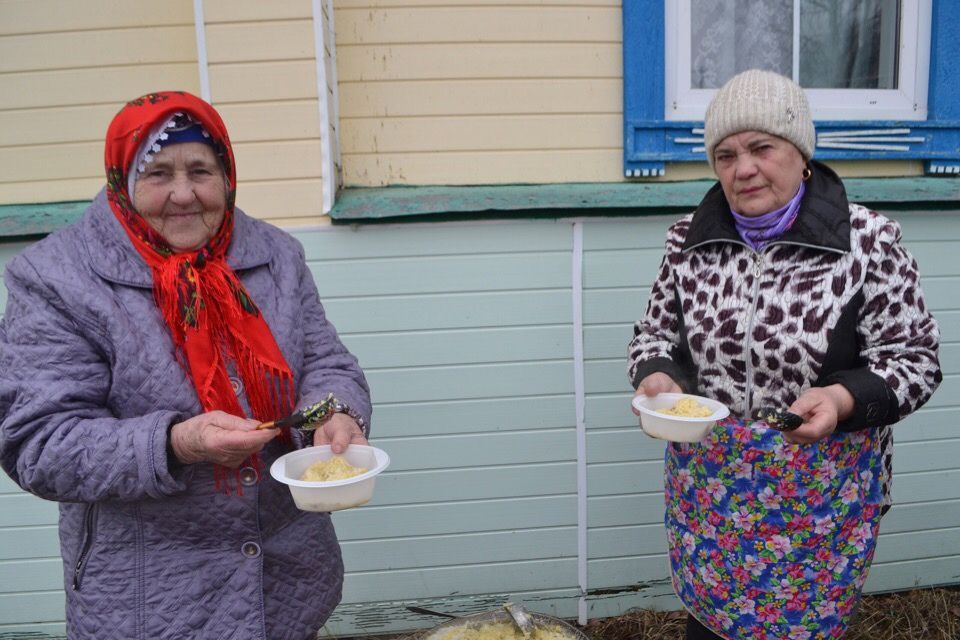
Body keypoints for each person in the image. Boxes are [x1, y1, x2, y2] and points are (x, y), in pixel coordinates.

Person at [0, 91, 371, 640]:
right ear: (122, 180)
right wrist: (175, 444)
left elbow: (323, 360)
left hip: (286, 585)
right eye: (157, 173)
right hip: (149, 597)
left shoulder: (276, 255)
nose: (183, 193)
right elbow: (39, 441)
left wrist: (335, 413)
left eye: (201, 170)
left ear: (227, 174)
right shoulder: (57, 278)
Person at [627, 70, 941, 640]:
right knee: (711, 626)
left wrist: (841, 398)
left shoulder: (867, 242)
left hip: (819, 495)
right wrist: (656, 379)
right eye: (724, 155)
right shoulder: (686, 243)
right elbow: (653, 337)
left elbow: (915, 360)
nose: (742, 168)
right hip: (712, 490)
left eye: (761, 147)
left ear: (801, 153)